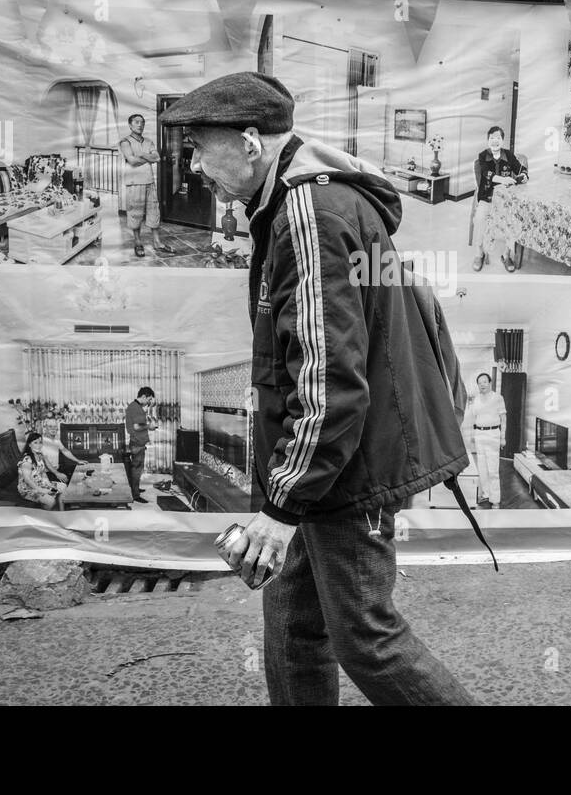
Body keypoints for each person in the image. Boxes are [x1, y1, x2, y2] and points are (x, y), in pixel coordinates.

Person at [161, 70, 476, 706]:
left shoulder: (308, 210)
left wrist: (283, 506)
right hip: (319, 466)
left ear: (250, 142)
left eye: (199, 145)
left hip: (342, 469)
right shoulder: (300, 201)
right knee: (294, 628)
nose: (194, 164)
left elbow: (328, 375)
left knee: (365, 636)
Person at [471, 126, 527, 272]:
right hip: (487, 198)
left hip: (505, 201)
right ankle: (479, 253)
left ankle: (506, 255)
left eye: (498, 138)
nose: (495, 141)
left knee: (512, 221)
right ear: (488, 140)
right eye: (492, 138)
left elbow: (520, 169)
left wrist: (524, 175)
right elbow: (486, 173)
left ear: (502, 140)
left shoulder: (508, 155)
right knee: (480, 219)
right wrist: (503, 179)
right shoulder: (483, 155)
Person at [118, 114, 167, 257]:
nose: (140, 125)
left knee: (154, 211)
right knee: (135, 213)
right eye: (137, 122)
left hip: (149, 181)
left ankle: (157, 242)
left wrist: (142, 154)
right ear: (130, 125)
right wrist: (148, 157)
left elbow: (157, 158)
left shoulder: (149, 141)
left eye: (142, 122)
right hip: (134, 183)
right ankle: (138, 242)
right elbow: (132, 161)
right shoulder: (125, 142)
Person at [463, 372, 505, 509]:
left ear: (490, 383)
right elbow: (473, 416)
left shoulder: (498, 398)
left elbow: (504, 419)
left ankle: (495, 500)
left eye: (484, 382)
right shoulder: (476, 399)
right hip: (480, 434)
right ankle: (486, 494)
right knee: (482, 468)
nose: (482, 385)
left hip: (493, 434)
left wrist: (503, 437)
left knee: (493, 470)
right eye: (480, 383)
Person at [17, 430, 68, 509]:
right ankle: (45, 516)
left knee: (63, 487)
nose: (39, 445)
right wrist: (41, 490)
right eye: (35, 443)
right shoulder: (26, 460)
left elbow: (43, 472)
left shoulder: (40, 455)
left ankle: (62, 512)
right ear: (29, 444)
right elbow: (28, 480)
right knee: (51, 501)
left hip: (40, 483)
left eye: (40, 442)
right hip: (29, 489)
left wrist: (48, 484)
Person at [124, 386, 157, 503]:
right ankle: (135, 495)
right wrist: (150, 426)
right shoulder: (136, 408)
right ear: (143, 396)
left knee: (137, 468)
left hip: (137, 442)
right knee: (137, 469)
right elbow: (137, 426)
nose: (149, 402)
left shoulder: (135, 406)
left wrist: (148, 424)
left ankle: (135, 488)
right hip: (137, 443)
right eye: (149, 399)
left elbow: (140, 422)